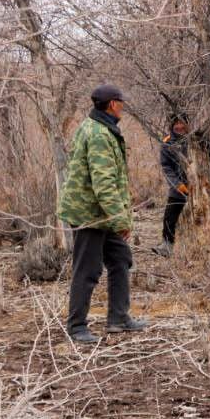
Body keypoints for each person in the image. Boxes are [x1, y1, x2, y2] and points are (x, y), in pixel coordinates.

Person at [57, 83, 148, 343]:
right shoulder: (98, 134)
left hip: (102, 214)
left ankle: (118, 318)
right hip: (89, 215)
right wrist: (120, 220)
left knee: (120, 258)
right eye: (121, 103)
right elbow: (103, 184)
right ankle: (76, 327)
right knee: (87, 270)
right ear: (112, 104)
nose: (123, 107)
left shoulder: (99, 127)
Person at [152, 114, 210, 257]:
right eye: (176, 123)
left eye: (182, 123)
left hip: (202, 186)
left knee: (206, 215)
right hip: (180, 186)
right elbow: (166, 167)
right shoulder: (167, 142)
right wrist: (178, 185)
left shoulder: (200, 138)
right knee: (169, 216)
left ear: (188, 123)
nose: (179, 126)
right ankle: (167, 246)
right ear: (171, 125)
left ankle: (209, 246)